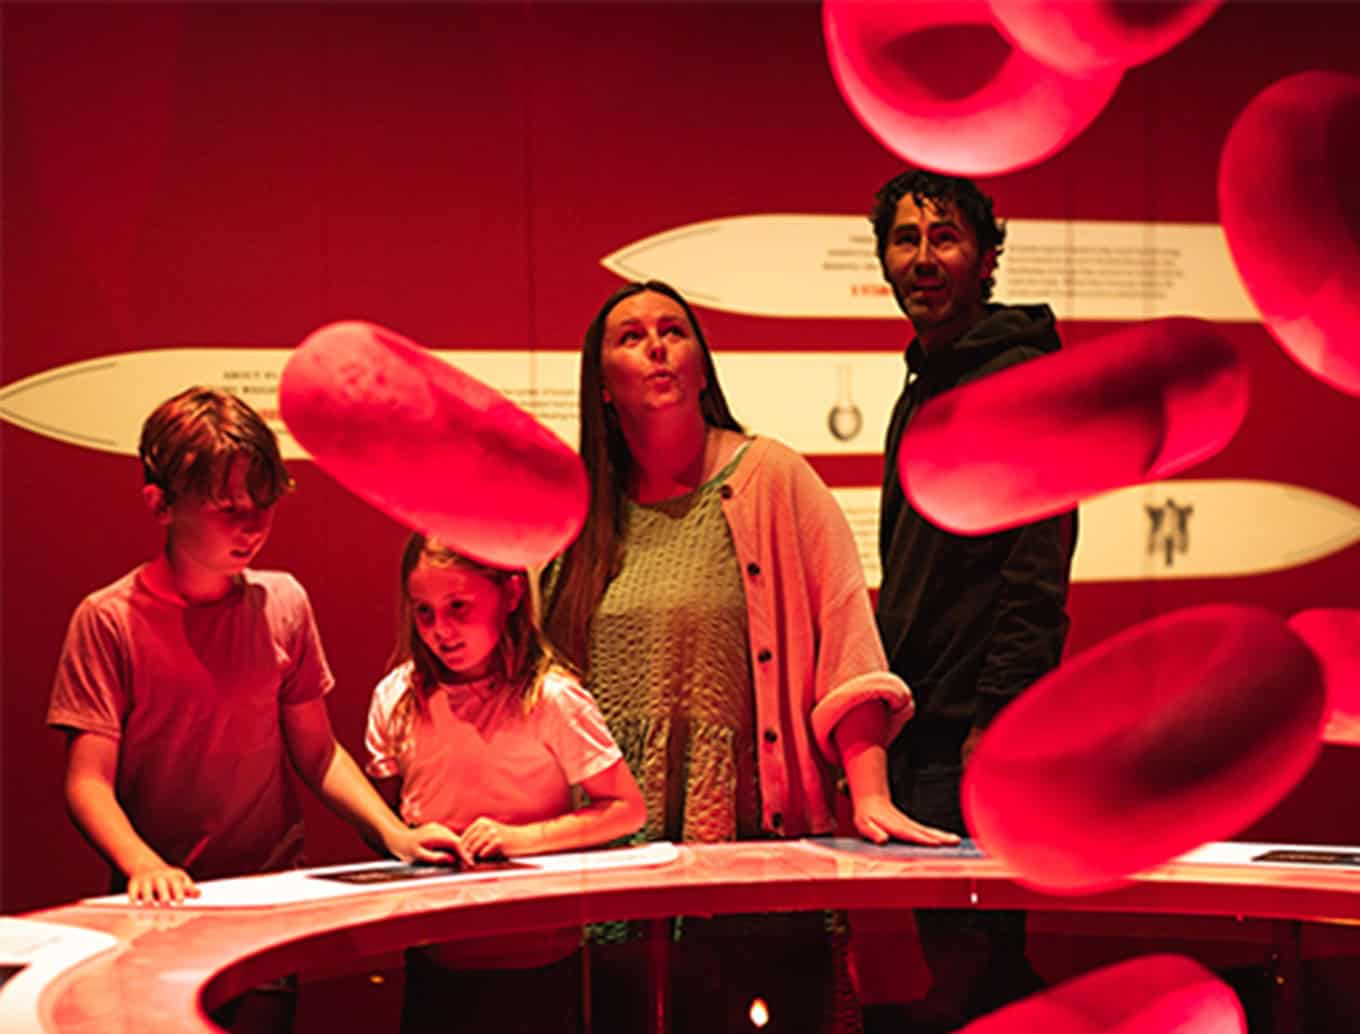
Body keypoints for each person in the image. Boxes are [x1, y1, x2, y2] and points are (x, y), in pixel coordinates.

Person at [543, 279, 956, 1033]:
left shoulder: (772, 477)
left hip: (754, 837)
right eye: (631, 337)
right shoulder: (582, 520)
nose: (657, 344)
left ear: (703, 366)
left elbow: (847, 638)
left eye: (674, 330)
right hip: (613, 849)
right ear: (602, 387)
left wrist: (869, 793)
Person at [46, 387, 463, 1029]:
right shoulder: (108, 621)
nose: (253, 526)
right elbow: (87, 782)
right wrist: (146, 866)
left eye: (264, 506)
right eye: (228, 508)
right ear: (160, 503)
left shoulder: (283, 603)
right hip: (158, 911)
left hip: (267, 903)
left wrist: (393, 833)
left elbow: (317, 752)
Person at [870, 169, 1078, 1031]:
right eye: (906, 239)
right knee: (972, 959)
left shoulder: (1014, 374)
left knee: (974, 964)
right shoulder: (929, 377)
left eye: (944, 238)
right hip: (928, 723)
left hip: (974, 728)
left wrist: (1003, 713)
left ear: (986, 257)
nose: (923, 258)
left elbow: (1038, 564)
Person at [364, 533, 645, 1034]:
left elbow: (625, 807)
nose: (440, 630)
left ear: (512, 594)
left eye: (458, 606)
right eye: (424, 612)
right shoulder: (396, 698)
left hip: (538, 958)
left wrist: (519, 839)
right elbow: (382, 822)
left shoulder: (552, 698)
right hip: (435, 956)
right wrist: (404, 840)